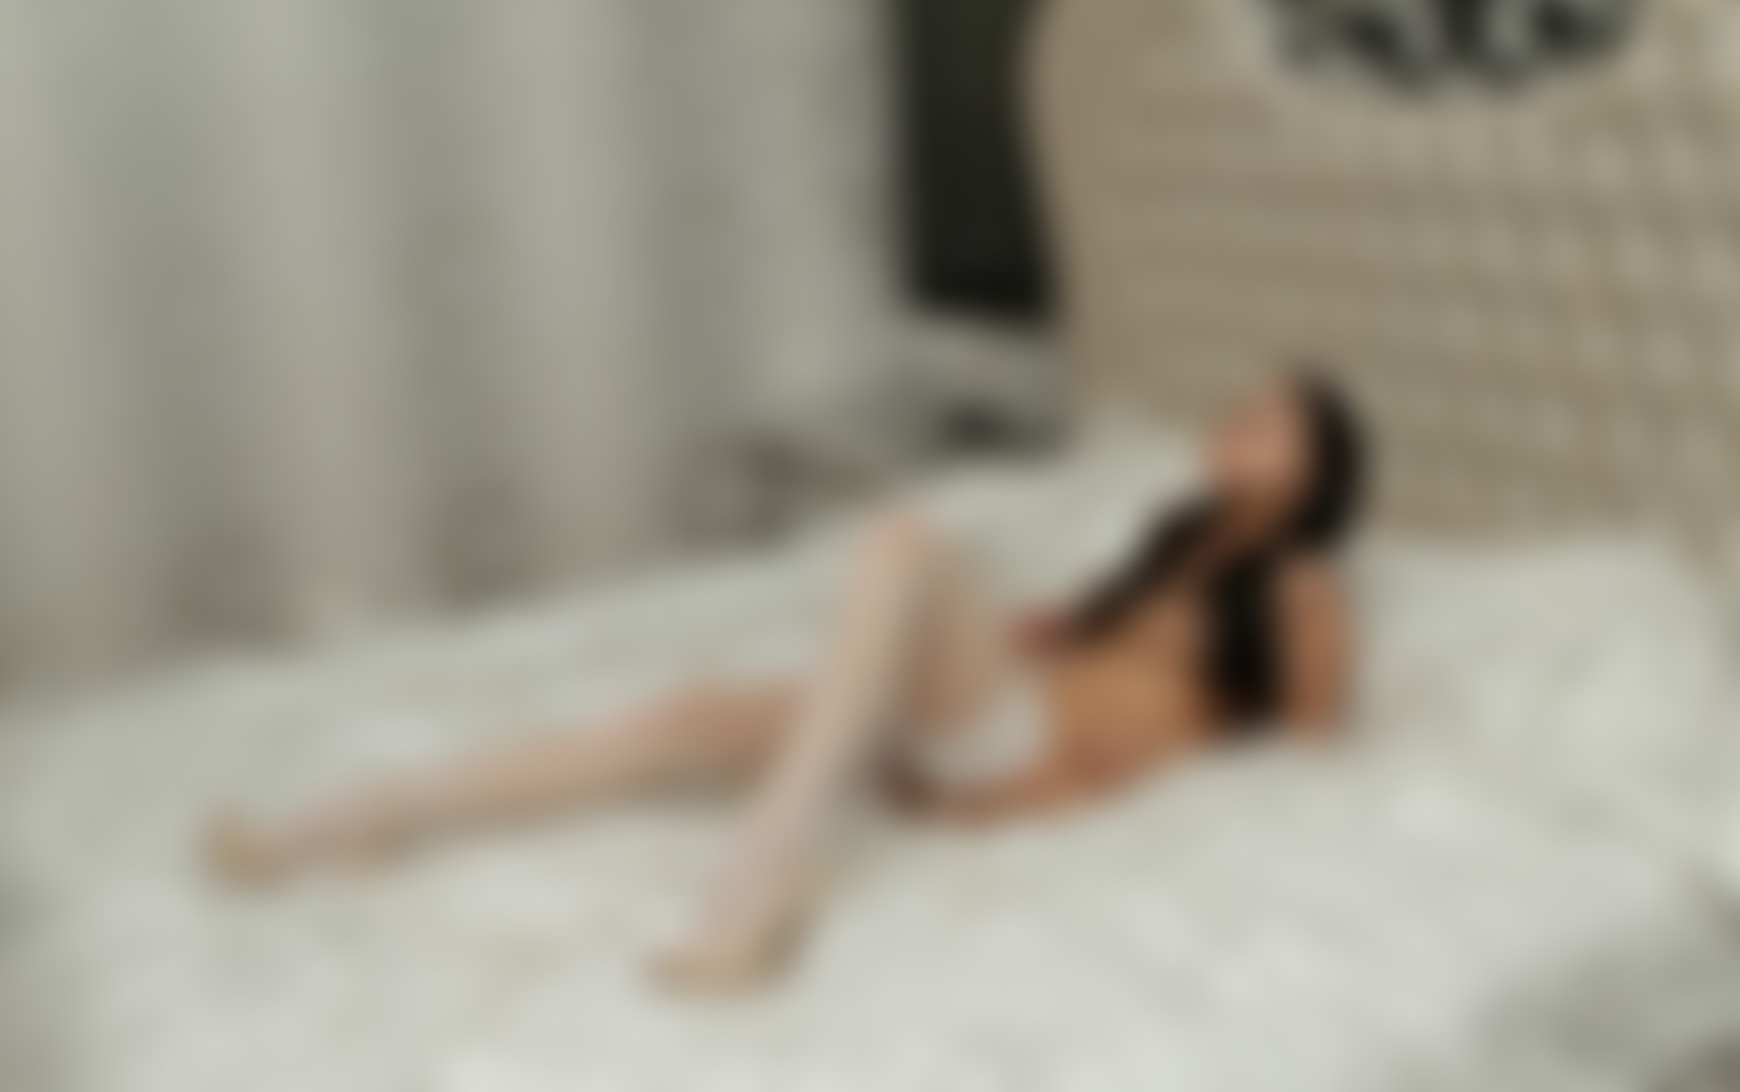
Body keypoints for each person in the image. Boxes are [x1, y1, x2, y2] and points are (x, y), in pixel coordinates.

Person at [209, 369, 1369, 992]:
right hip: (985, 729)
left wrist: (1150, 767)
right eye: (1246, 406)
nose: (1241, 418)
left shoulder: (1302, 583)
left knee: (905, 536)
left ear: (1318, 476)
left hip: (1032, 767)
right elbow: (1090, 645)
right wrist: (1043, 634)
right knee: (679, 714)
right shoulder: (1175, 535)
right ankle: (349, 819)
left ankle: (757, 880)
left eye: (1273, 422)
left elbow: (1306, 753)